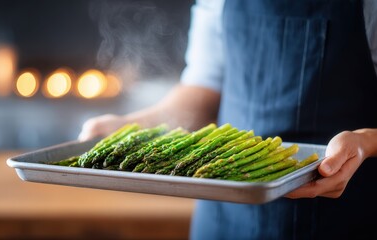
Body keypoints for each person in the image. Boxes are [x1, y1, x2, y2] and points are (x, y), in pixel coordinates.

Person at [79, 0, 377, 239]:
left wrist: (365, 142)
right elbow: (203, 90)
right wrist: (137, 130)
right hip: (223, 217)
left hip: (340, 214)